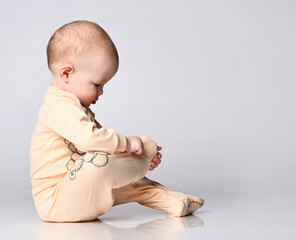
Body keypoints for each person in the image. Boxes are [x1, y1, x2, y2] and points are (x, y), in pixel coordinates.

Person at [30, 20, 204, 222]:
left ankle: (171, 200)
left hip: (80, 192)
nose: (101, 91)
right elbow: (90, 141)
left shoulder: (79, 108)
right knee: (98, 165)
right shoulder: (58, 105)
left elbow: (104, 146)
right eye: (97, 84)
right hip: (57, 200)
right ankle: (141, 163)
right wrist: (130, 146)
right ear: (67, 73)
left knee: (123, 180)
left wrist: (129, 154)